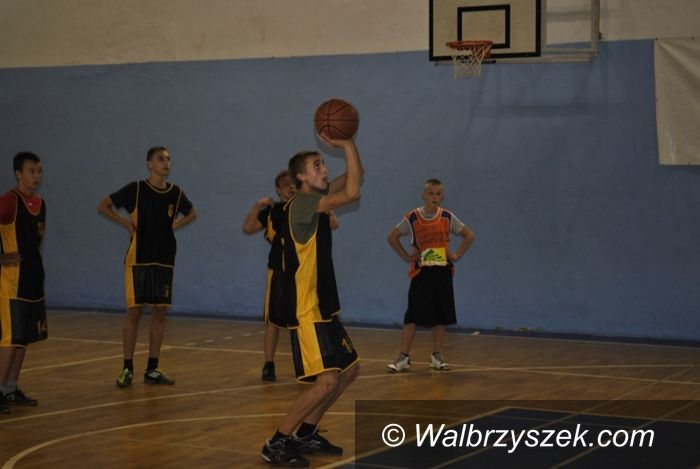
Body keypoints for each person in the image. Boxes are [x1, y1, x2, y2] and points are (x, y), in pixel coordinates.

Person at [260, 136, 362, 468]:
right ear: (300, 178)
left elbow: (355, 177)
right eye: (317, 165)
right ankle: (276, 442)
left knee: (349, 370)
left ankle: (306, 433)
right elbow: (352, 193)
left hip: (324, 306)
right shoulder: (303, 203)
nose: (325, 169)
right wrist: (347, 146)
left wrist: (349, 144)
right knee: (327, 380)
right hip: (307, 308)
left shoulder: (315, 198)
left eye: (324, 164)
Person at [97, 146, 196, 388]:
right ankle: (127, 368)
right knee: (134, 312)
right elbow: (103, 205)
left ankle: (152, 368)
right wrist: (126, 223)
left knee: (160, 313)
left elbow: (192, 213)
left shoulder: (175, 193)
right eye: (161, 159)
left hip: (164, 259)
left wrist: (174, 226)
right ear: (149, 164)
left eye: (169, 159)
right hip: (139, 258)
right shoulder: (137, 189)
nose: (166, 163)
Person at [242, 170, 338, 382]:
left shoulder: (306, 207)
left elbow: (333, 224)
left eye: (292, 183)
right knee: (273, 321)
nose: (290, 187)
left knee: (302, 318)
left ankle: (307, 364)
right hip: (278, 270)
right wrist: (257, 205)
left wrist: (329, 211)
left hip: (303, 271)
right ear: (278, 190)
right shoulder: (273, 211)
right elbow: (247, 227)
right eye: (285, 184)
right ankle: (269, 364)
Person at [386, 178, 475, 372]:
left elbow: (469, 234)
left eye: (438, 194)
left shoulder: (447, 217)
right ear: (423, 195)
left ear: (442, 197)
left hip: (442, 271)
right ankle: (403, 356)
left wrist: (456, 254)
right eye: (430, 193)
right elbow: (392, 237)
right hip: (421, 271)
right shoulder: (413, 217)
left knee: (440, 314)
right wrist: (406, 256)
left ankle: (436, 355)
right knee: (412, 314)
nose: (434, 197)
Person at [0, 152, 48, 414]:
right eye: (31, 171)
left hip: (33, 280)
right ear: (18, 173)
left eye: (39, 171)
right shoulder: (9, 201)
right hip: (11, 282)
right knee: (9, 339)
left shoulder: (40, 204)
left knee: (23, 338)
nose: (36, 176)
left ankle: (10, 388)